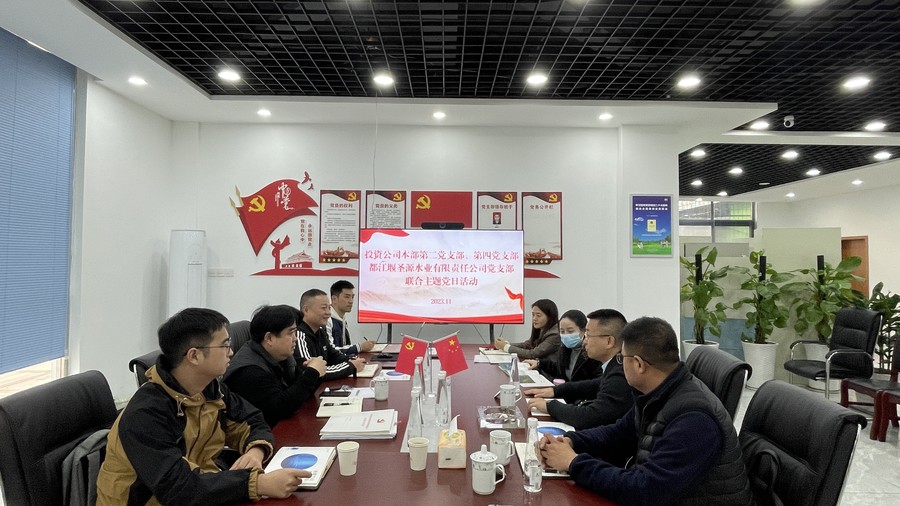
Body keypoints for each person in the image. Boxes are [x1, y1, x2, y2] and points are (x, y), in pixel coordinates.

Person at [96, 308, 311, 505]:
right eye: (225, 345)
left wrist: (256, 451)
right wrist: (257, 484)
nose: (231, 352)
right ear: (194, 355)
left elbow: (252, 419)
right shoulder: (147, 414)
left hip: (200, 491)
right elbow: (177, 488)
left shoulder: (209, 389)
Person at [539, 317, 752, 506]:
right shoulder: (658, 392)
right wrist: (570, 441)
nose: (620, 364)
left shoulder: (693, 419)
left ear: (639, 364)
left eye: (621, 358)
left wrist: (573, 462)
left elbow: (645, 491)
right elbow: (618, 433)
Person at [525, 309, 632, 430]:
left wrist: (550, 406)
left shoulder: (621, 373)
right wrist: (555, 391)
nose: (584, 341)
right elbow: (594, 385)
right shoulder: (616, 365)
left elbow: (591, 417)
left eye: (588, 335)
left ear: (609, 341)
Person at [224, 305, 327, 427]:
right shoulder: (250, 371)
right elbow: (280, 408)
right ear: (269, 338)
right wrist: (312, 374)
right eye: (290, 333)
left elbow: (300, 394)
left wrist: (315, 373)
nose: (295, 339)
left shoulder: (281, 358)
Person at [295, 288, 366, 381]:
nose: (328, 313)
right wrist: (351, 367)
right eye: (323, 308)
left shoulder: (320, 331)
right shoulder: (298, 335)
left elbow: (334, 355)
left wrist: (352, 360)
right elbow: (312, 372)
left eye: (329, 308)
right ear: (306, 310)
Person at [522, 309, 602, 384]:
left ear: (583, 330)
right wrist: (539, 363)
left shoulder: (592, 352)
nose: (566, 335)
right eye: (562, 331)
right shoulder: (564, 348)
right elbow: (559, 368)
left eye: (570, 331)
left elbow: (595, 383)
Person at [494, 299, 560, 360]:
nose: (534, 318)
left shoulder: (554, 334)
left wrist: (505, 347)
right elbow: (527, 345)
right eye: (533, 315)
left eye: (538, 315)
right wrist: (505, 344)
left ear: (550, 317)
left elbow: (533, 354)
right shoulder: (542, 329)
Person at [326, 280, 375, 355]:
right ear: (334, 299)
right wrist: (360, 347)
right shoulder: (326, 319)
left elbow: (344, 347)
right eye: (347, 297)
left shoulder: (341, 319)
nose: (351, 301)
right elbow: (330, 351)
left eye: (352, 297)